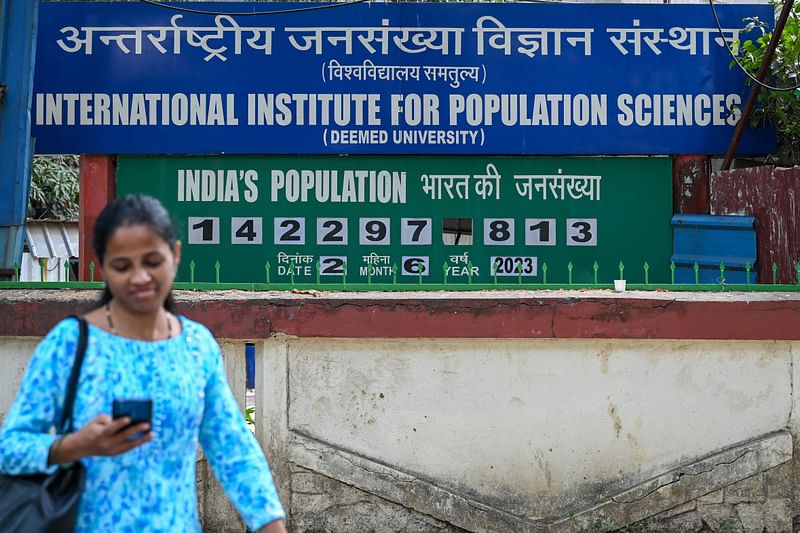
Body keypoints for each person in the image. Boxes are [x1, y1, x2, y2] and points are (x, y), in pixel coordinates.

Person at [0, 194, 286, 532]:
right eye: (123, 266)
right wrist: (73, 446)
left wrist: (271, 524)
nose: (139, 277)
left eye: (152, 261)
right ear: (104, 266)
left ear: (175, 255)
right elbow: (10, 447)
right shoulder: (70, 344)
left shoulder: (196, 347)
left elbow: (233, 448)